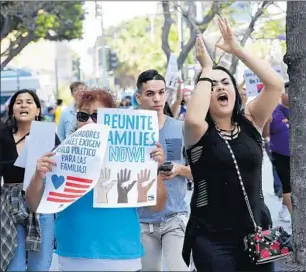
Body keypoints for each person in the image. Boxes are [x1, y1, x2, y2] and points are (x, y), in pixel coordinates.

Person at [25, 89, 168, 271]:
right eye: (83, 115)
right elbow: (34, 204)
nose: (89, 121)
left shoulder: (131, 156)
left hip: (123, 258)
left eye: (97, 115)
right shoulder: (60, 156)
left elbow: (157, 206)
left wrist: (152, 169)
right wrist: (38, 175)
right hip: (73, 257)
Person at [182, 18, 283, 271]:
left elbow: (275, 84)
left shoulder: (251, 120)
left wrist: (237, 48)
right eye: (211, 86)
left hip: (257, 231)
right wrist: (206, 67)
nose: (219, 88)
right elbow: (194, 117)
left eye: (225, 83)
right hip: (211, 238)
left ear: (235, 91)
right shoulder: (198, 131)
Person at [135, 69, 192, 271]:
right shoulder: (127, 132)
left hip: (175, 217)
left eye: (161, 92)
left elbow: (201, 172)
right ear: (139, 98)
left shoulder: (182, 128)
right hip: (140, 220)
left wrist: (179, 169)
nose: (157, 98)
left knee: (179, 268)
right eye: (150, 94)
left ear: (167, 94)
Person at [0, 89, 59, 271]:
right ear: (12, 110)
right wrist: (32, 164)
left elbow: (58, 166)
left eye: (29, 102)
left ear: (38, 110)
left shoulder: (48, 135)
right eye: (18, 102)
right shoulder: (2, 135)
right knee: (12, 265)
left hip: (41, 202)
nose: (23, 105)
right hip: (10, 203)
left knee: (40, 265)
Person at [269, 82, 291, 222]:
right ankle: (291, 212)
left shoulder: (301, 111)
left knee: (294, 186)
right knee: (287, 185)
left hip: (297, 155)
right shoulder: (274, 112)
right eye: (288, 92)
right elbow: (267, 132)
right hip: (280, 153)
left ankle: (285, 208)